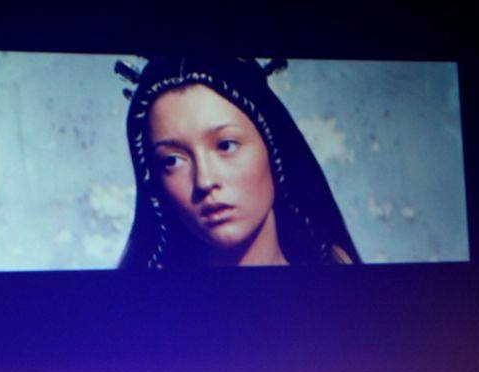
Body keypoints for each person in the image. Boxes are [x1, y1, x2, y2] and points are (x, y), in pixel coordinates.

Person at [118, 56, 361, 269]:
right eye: (172, 160)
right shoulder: (146, 298)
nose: (204, 181)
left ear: (272, 147)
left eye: (226, 145)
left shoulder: (337, 275)